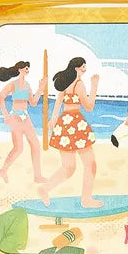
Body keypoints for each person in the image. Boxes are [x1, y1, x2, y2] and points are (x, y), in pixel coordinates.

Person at [38, 57, 102, 208]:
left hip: (64, 124)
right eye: (83, 66)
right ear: (76, 68)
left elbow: (59, 101)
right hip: (76, 125)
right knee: (90, 165)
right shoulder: (79, 84)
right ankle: (86, 200)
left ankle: (45, 189)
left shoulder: (65, 83)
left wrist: (54, 119)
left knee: (69, 167)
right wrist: (94, 86)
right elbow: (89, 107)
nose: (85, 69)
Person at [0, 61, 47, 183]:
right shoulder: (13, 84)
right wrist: (6, 115)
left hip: (26, 118)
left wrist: (40, 88)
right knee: (18, 148)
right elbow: (0, 97)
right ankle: (3, 170)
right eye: (25, 68)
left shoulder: (27, 85)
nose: (27, 70)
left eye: (28, 68)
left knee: (35, 145)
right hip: (15, 118)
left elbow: (33, 102)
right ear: (19, 69)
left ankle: (37, 176)